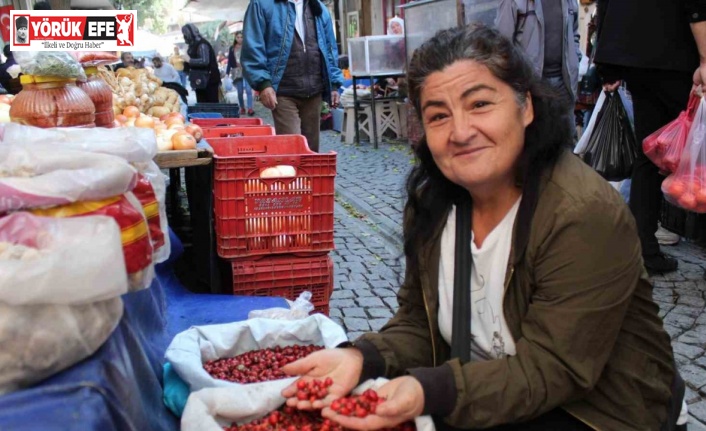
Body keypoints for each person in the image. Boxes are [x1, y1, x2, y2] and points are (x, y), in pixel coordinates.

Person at [280, 24, 686, 431]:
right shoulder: (433, 203)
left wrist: (427, 391)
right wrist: (361, 358)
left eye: (479, 105)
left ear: (525, 106)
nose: (460, 132)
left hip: (596, 410)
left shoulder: (580, 212)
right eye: (438, 115)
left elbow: (555, 367)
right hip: (490, 392)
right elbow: (419, 322)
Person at [594, 0, 706, 274]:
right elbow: (697, 8)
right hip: (678, 55)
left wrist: (608, 65)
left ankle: (644, 248)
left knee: (650, 153)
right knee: (698, 154)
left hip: (636, 58)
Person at [241, 0, 343, 152]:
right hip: (283, 92)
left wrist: (334, 83)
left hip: (314, 91)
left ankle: (308, 177)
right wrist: (263, 84)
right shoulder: (262, 5)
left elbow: (329, 48)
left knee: (311, 152)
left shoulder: (318, 7)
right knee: (292, 151)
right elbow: (253, 46)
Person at [495, 0, 581, 133]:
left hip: (564, 83)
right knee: (536, 140)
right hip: (532, 85)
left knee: (567, 139)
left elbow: (574, 33)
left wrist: (575, 58)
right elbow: (502, 44)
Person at [182, 23, 221, 104]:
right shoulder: (193, 45)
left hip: (209, 80)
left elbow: (205, 61)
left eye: (185, 34)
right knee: (202, 103)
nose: (184, 36)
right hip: (200, 80)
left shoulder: (202, 44)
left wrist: (189, 60)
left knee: (210, 104)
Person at [226, 31, 254, 116]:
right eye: (238, 37)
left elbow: (252, 58)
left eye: (241, 37)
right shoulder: (232, 48)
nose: (240, 39)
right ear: (235, 38)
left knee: (249, 90)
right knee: (240, 91)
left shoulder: (247, 47)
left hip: (247, 70)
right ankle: (242, 107)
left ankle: (250, 108)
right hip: (236, 71)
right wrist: (227, 72)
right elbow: (230, 62)